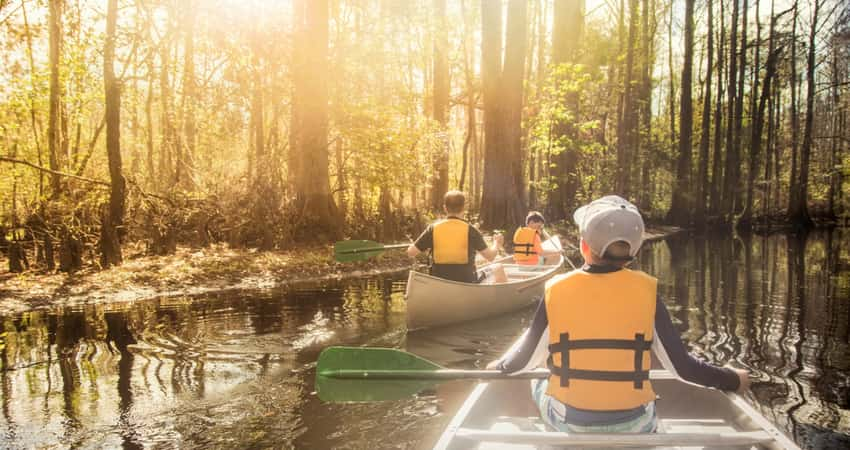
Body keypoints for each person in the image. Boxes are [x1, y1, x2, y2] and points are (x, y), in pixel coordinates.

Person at [487, 195, 749, 433]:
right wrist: (732, 379)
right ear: (633, 252)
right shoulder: (648, 291)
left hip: (571, 422)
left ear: (583, 246)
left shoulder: (556, 290)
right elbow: (683, 368)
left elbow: (522, 362)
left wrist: (499, 366)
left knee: (540, 378)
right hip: (635, 424)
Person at [407, 190, 505, 283]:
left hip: (438, 281)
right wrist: (497, 243)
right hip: (466, 281)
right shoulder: (471, 230)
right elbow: (490, 257)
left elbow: (411, 252)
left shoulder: (432, 228)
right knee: (498, 267)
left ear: (445, 208)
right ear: (464, 208)